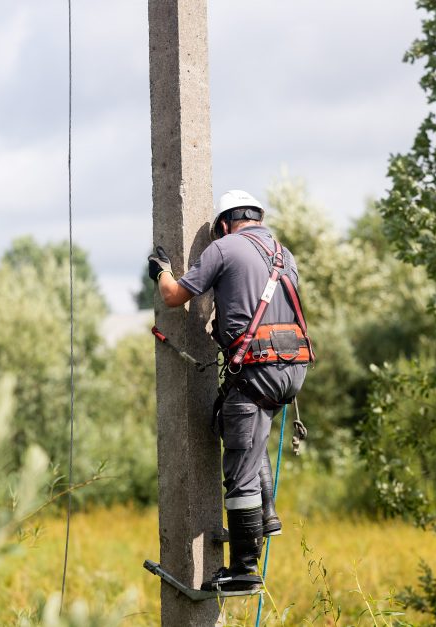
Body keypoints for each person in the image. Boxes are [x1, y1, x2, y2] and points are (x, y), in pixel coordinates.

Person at [148, 189, 313, 592]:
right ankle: (266, 516)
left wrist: (161, 270)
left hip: (257, 369)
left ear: (224, 224)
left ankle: (244, 570)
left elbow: (173, 297)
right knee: (236, 426)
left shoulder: (224, 249)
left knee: (238, 470)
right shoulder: (283, 254)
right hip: (292, 370)